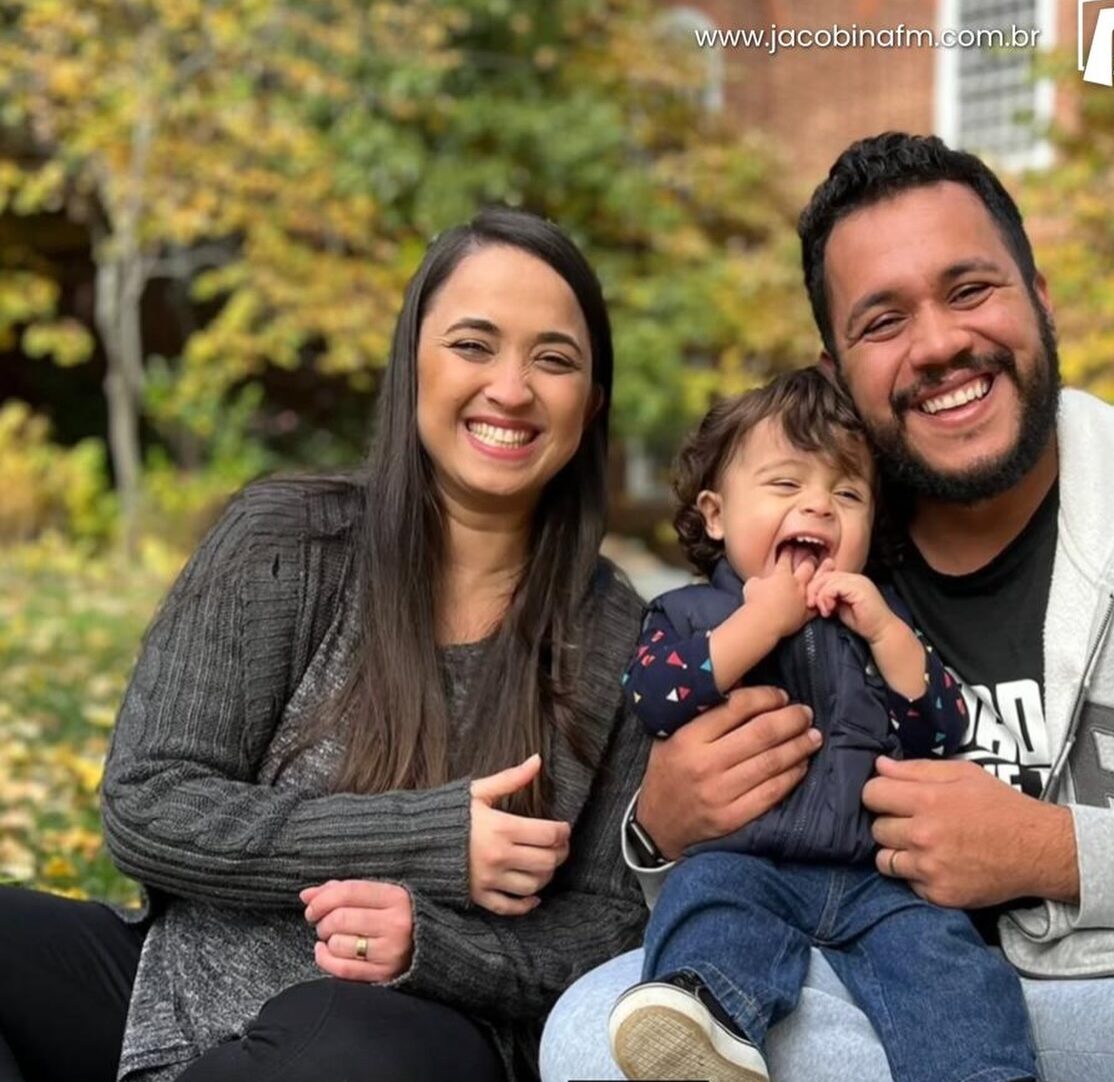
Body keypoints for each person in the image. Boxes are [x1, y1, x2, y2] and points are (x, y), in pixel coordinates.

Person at [541, 133, 1114, 1082]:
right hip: (878, 992)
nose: (937, 345)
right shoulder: (832, 543)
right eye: (883, 321)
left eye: (970, 290)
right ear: (838, 368)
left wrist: (1055, 851)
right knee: (591, 1036)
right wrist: (661, 828)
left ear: (1040, 297)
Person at [0, 207, 650, 1082]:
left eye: (555, 360)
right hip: (178, 997)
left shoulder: (619, 636)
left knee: (343, 1041)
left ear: (592, 402)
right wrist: (429, 840)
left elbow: (608, 930)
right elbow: (149, 802)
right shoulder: (289, 541)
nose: (511, 387)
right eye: (473, 345)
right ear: (411, 363)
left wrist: (436, 946)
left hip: (410, 1034)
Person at [608, 367, 1036, 1082]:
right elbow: (655, 696)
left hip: (876, 873)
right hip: (746, 859)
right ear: (716, 514)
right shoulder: (689, 613)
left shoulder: (879, 619)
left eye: (847, 494)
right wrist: (759, 622)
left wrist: (887, 634)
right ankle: (707, 1028)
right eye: (785, 484)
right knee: (706, 908)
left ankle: (982, 1070)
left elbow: (942, 727)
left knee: (950, 960)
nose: (817, 505)